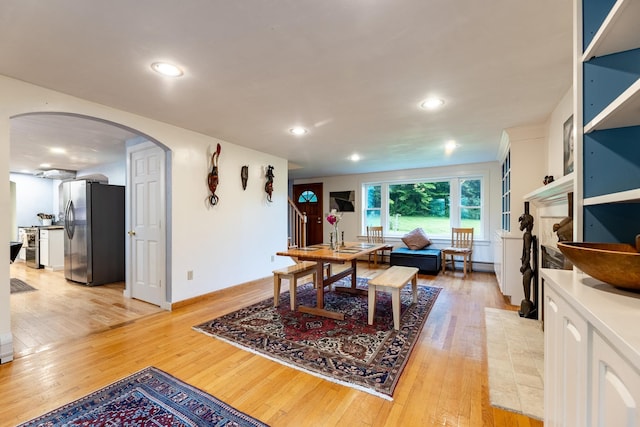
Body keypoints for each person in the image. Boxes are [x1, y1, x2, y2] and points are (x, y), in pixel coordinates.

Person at [518, 212, 535, 317]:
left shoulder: (527, 235)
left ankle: (527, 306)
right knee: (525, 284)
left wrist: (525, 264)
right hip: (526, 264)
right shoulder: (527, 234)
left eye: (523, 221)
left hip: (527, 265)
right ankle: (527, 304)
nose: (521, 223)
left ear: (527, 223)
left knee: (526, 283)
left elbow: (528, 252)